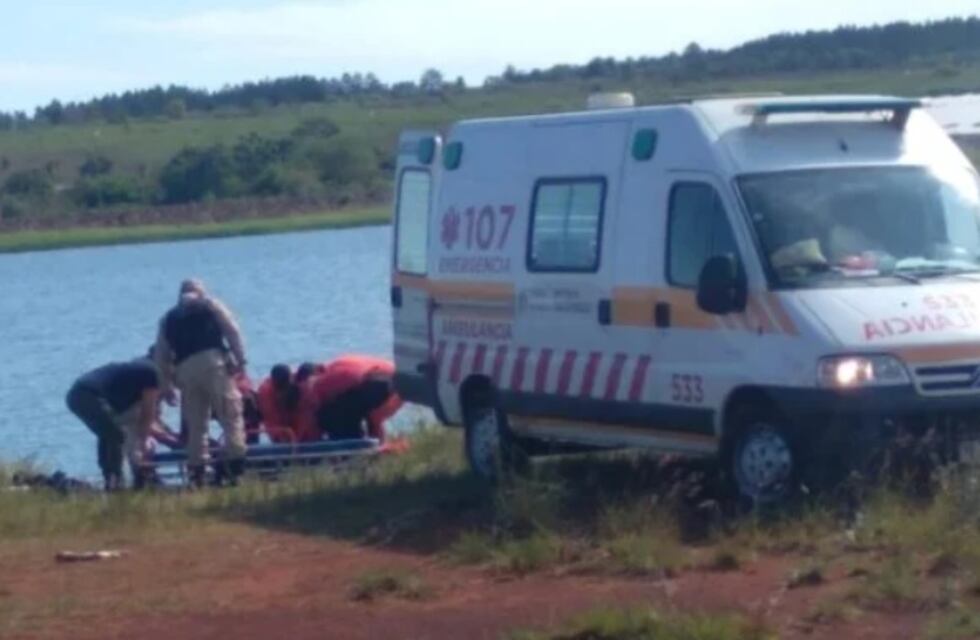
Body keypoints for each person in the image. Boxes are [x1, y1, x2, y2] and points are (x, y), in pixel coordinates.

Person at [155, 278, 248, 488]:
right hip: (213, 365)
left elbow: (161, 355)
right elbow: (231, 330)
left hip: (185, 372)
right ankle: (235, 471)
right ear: (200, 292)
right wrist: (240, 359)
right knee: (230, 416)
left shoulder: (168, 319)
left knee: (196, 426)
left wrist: (166, 385)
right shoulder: (211, 305)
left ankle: (197, 475)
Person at [66, 358, 161, 490]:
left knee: (108, 433)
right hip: (87, 395)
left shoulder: (136, 372)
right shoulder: (152, 373)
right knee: (115, 435)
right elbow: (148, 412)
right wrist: (143, 442)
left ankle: (113, 479)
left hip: (75, 394)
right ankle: (115, 481)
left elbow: (143, 416)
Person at [301, 355, 403, 443]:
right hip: (398, 378)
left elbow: (315, 417)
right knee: (368, 416)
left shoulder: (320, 384)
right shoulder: (334, 367)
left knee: (332, 417)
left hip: (389, 384)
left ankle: (367, 449)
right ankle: (369, 447)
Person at [256, 362, 321, 443]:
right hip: (284, 432)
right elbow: (273, 424)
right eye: (280, 389)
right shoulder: (266, 395)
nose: (282, 393)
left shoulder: (305, 390)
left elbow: (306, 417)